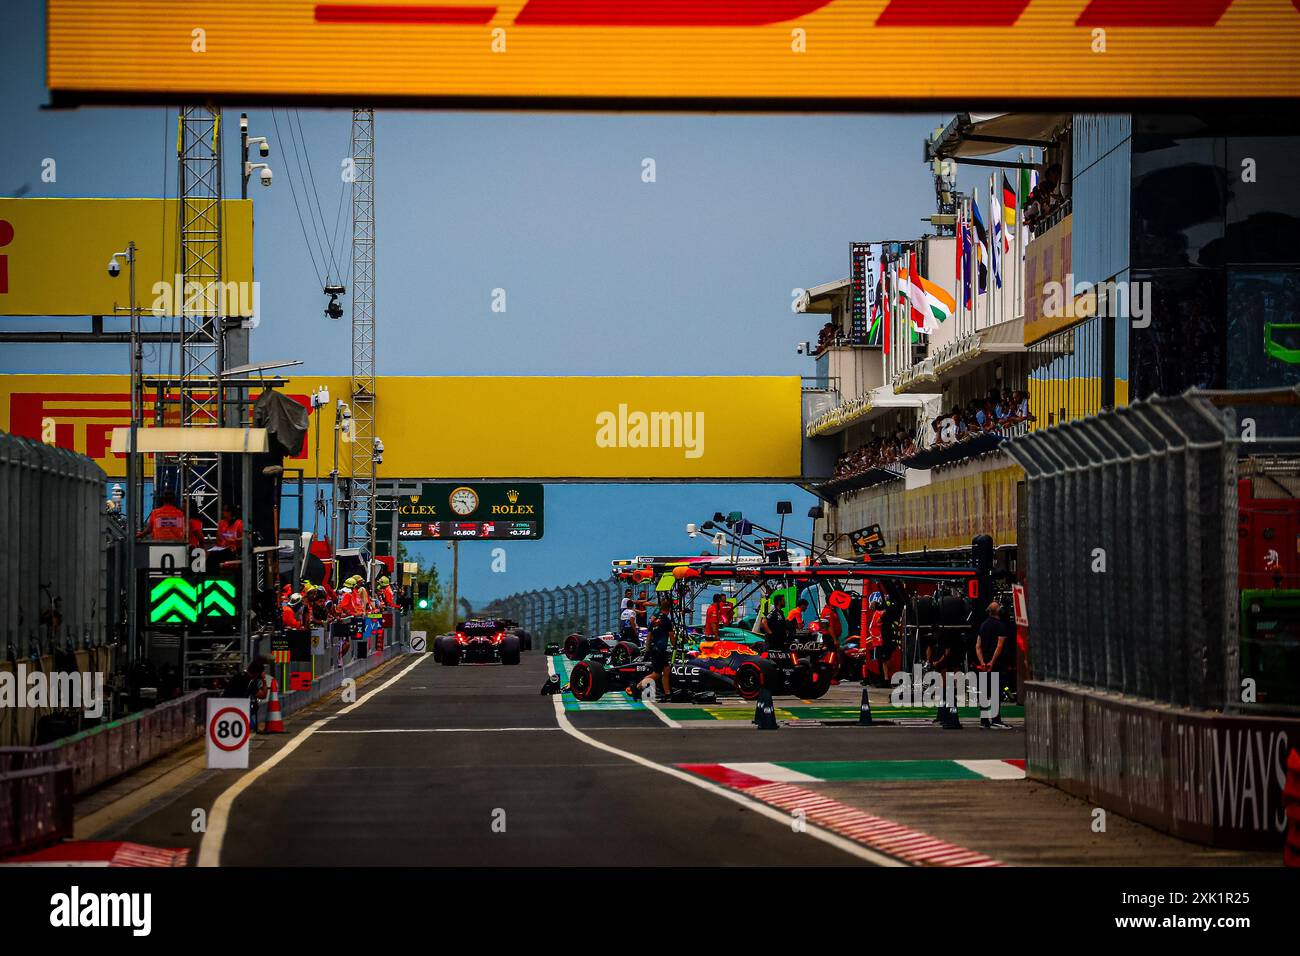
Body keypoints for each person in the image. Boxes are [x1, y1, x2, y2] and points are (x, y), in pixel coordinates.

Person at [977, 602, 1014, 729]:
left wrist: (982, 663)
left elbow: (978, 646)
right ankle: (996, 720)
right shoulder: (1001, 626)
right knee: (995, 692)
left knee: (984, 692)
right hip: (995, 663)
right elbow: (999, 645)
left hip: (984, 663)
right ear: (998, 611)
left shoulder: (983, 625)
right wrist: (992, 663)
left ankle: (984, 721)